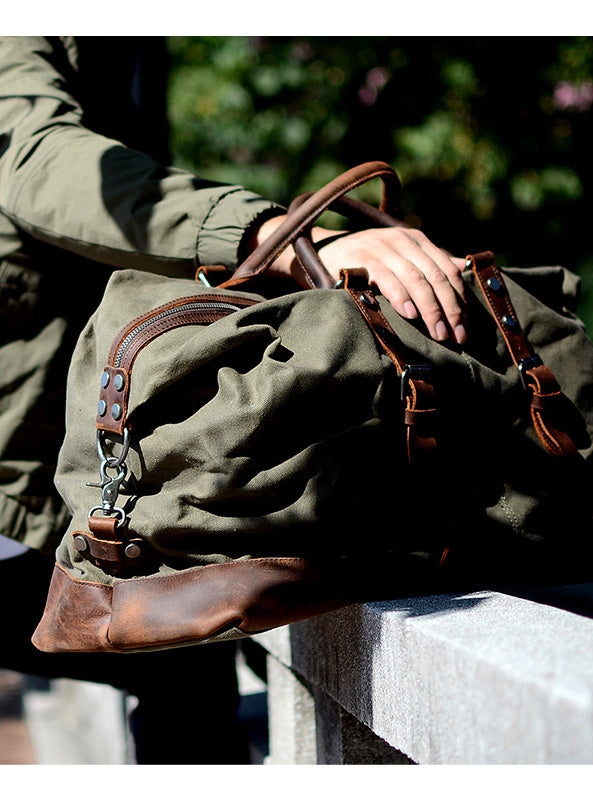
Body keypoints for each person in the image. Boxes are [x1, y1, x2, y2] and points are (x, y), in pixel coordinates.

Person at [0, 36, 467, 764]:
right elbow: (38, 159)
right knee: (181, 655)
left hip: (48, 472)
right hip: (13, 490)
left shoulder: (124, 45)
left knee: (187, 660)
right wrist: (275, 234)